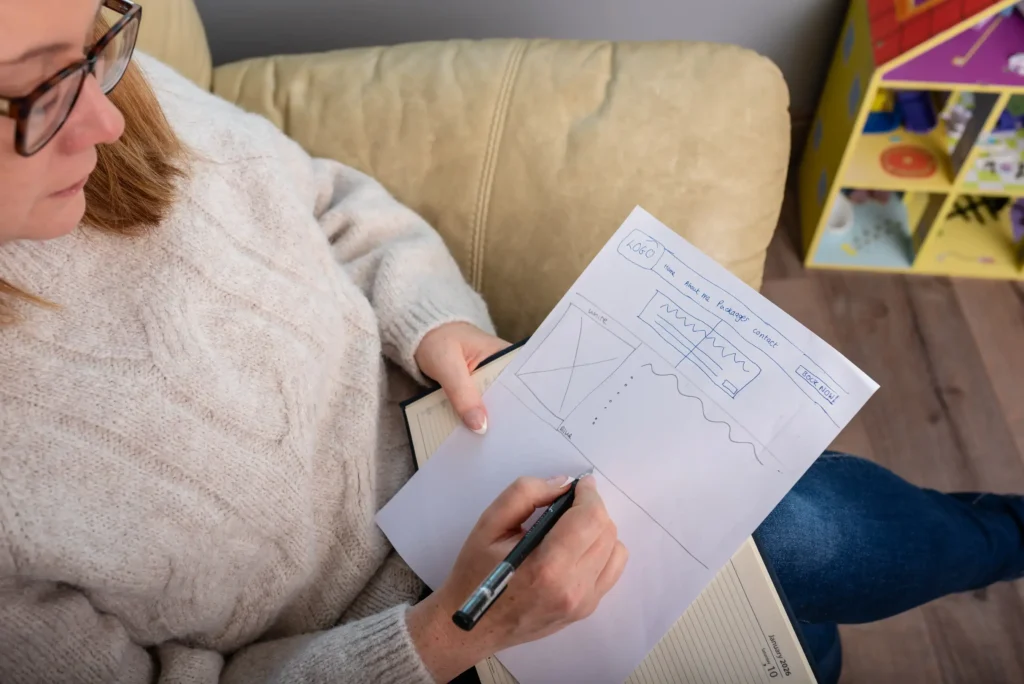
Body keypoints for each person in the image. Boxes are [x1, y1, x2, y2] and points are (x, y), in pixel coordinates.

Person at [0, 2, 1021, 683]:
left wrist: (438, 326)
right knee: (790, 613)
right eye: (42, 95)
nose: (108, 120)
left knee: (801, 536)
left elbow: (330, 201)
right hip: (415, 626)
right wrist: (451, 631)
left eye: (97, 45)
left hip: (483, 427)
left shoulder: (107, 83)